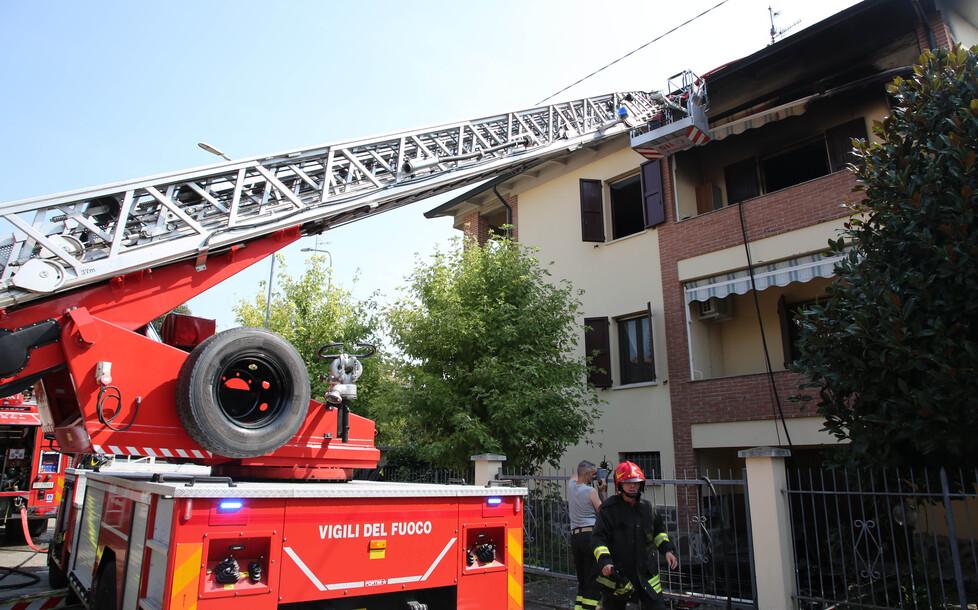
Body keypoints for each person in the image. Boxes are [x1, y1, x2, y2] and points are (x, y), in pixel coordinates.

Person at [592, 461, 679, 610]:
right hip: (619, 575)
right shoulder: (609, 510)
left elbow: (659, 533)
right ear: (620, 485)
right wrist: (605, 561)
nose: (633, 486)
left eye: (636, 483)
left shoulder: (647, 508)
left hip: (646, 574)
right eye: (628, 483)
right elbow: (598, 538)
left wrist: (667, 550)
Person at [567, 460, 606, 610]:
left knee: (582, 578)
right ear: (586, 474)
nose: (593, 477)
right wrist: (602, 490)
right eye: (591, 474)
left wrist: (588, 469)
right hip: (590, 536)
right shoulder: (591, 491)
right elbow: (603, 512)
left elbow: (574, 475)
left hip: (575, 537)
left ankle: (580, 608)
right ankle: (591, 607)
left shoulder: (570, 487)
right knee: (593, 577)